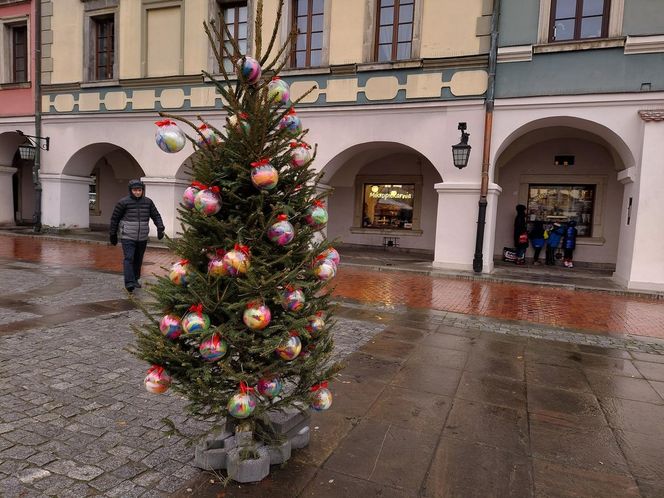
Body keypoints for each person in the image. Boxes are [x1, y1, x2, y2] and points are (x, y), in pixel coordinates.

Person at [109, 179, 165, 292]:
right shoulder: (123, 202)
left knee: (138, 259)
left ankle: (135, 279)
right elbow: (115, 219)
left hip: (143, 236)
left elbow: (156, 215)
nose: (137, 192)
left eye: (139, 190)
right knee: (129, 258)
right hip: (128, 236)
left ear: (142, 190)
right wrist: (113, 233)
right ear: (131, 190)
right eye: (135, 190)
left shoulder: (148, 202)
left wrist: (160, 228)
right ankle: (129, 282)